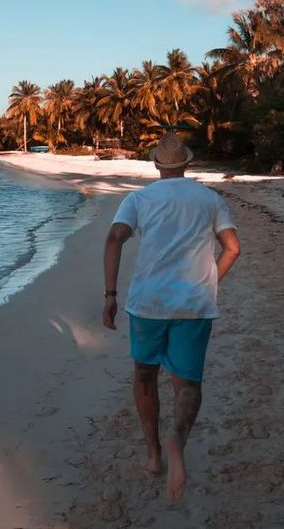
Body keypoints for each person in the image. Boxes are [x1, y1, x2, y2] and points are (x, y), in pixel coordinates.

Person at [102, 132, 241, 500]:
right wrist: (210, 280)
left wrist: (111, 294)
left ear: (156, 164)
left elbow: (115, 237)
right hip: (194, 305)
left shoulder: (139, 199)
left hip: (148, 303)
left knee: (145, 375)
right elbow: (233, 248)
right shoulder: (210, 199)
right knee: (188, 384)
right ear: (186, 164)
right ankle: (177, 438)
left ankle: (153, 455)